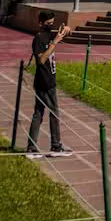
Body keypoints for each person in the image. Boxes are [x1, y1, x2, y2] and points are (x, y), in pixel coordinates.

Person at [24, 11, 73, 158]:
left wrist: (66, 30)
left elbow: (63, 35)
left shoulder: (49, 35)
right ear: (41, 23)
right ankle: (55, 146)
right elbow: (41, 61)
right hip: (44, 82)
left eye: (52, 23)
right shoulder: (39, 39)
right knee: (53, 113)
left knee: (38, 113)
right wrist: (54, 43)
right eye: (48, 24)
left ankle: (32, 148)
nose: (50, 26)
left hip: (48, 80)